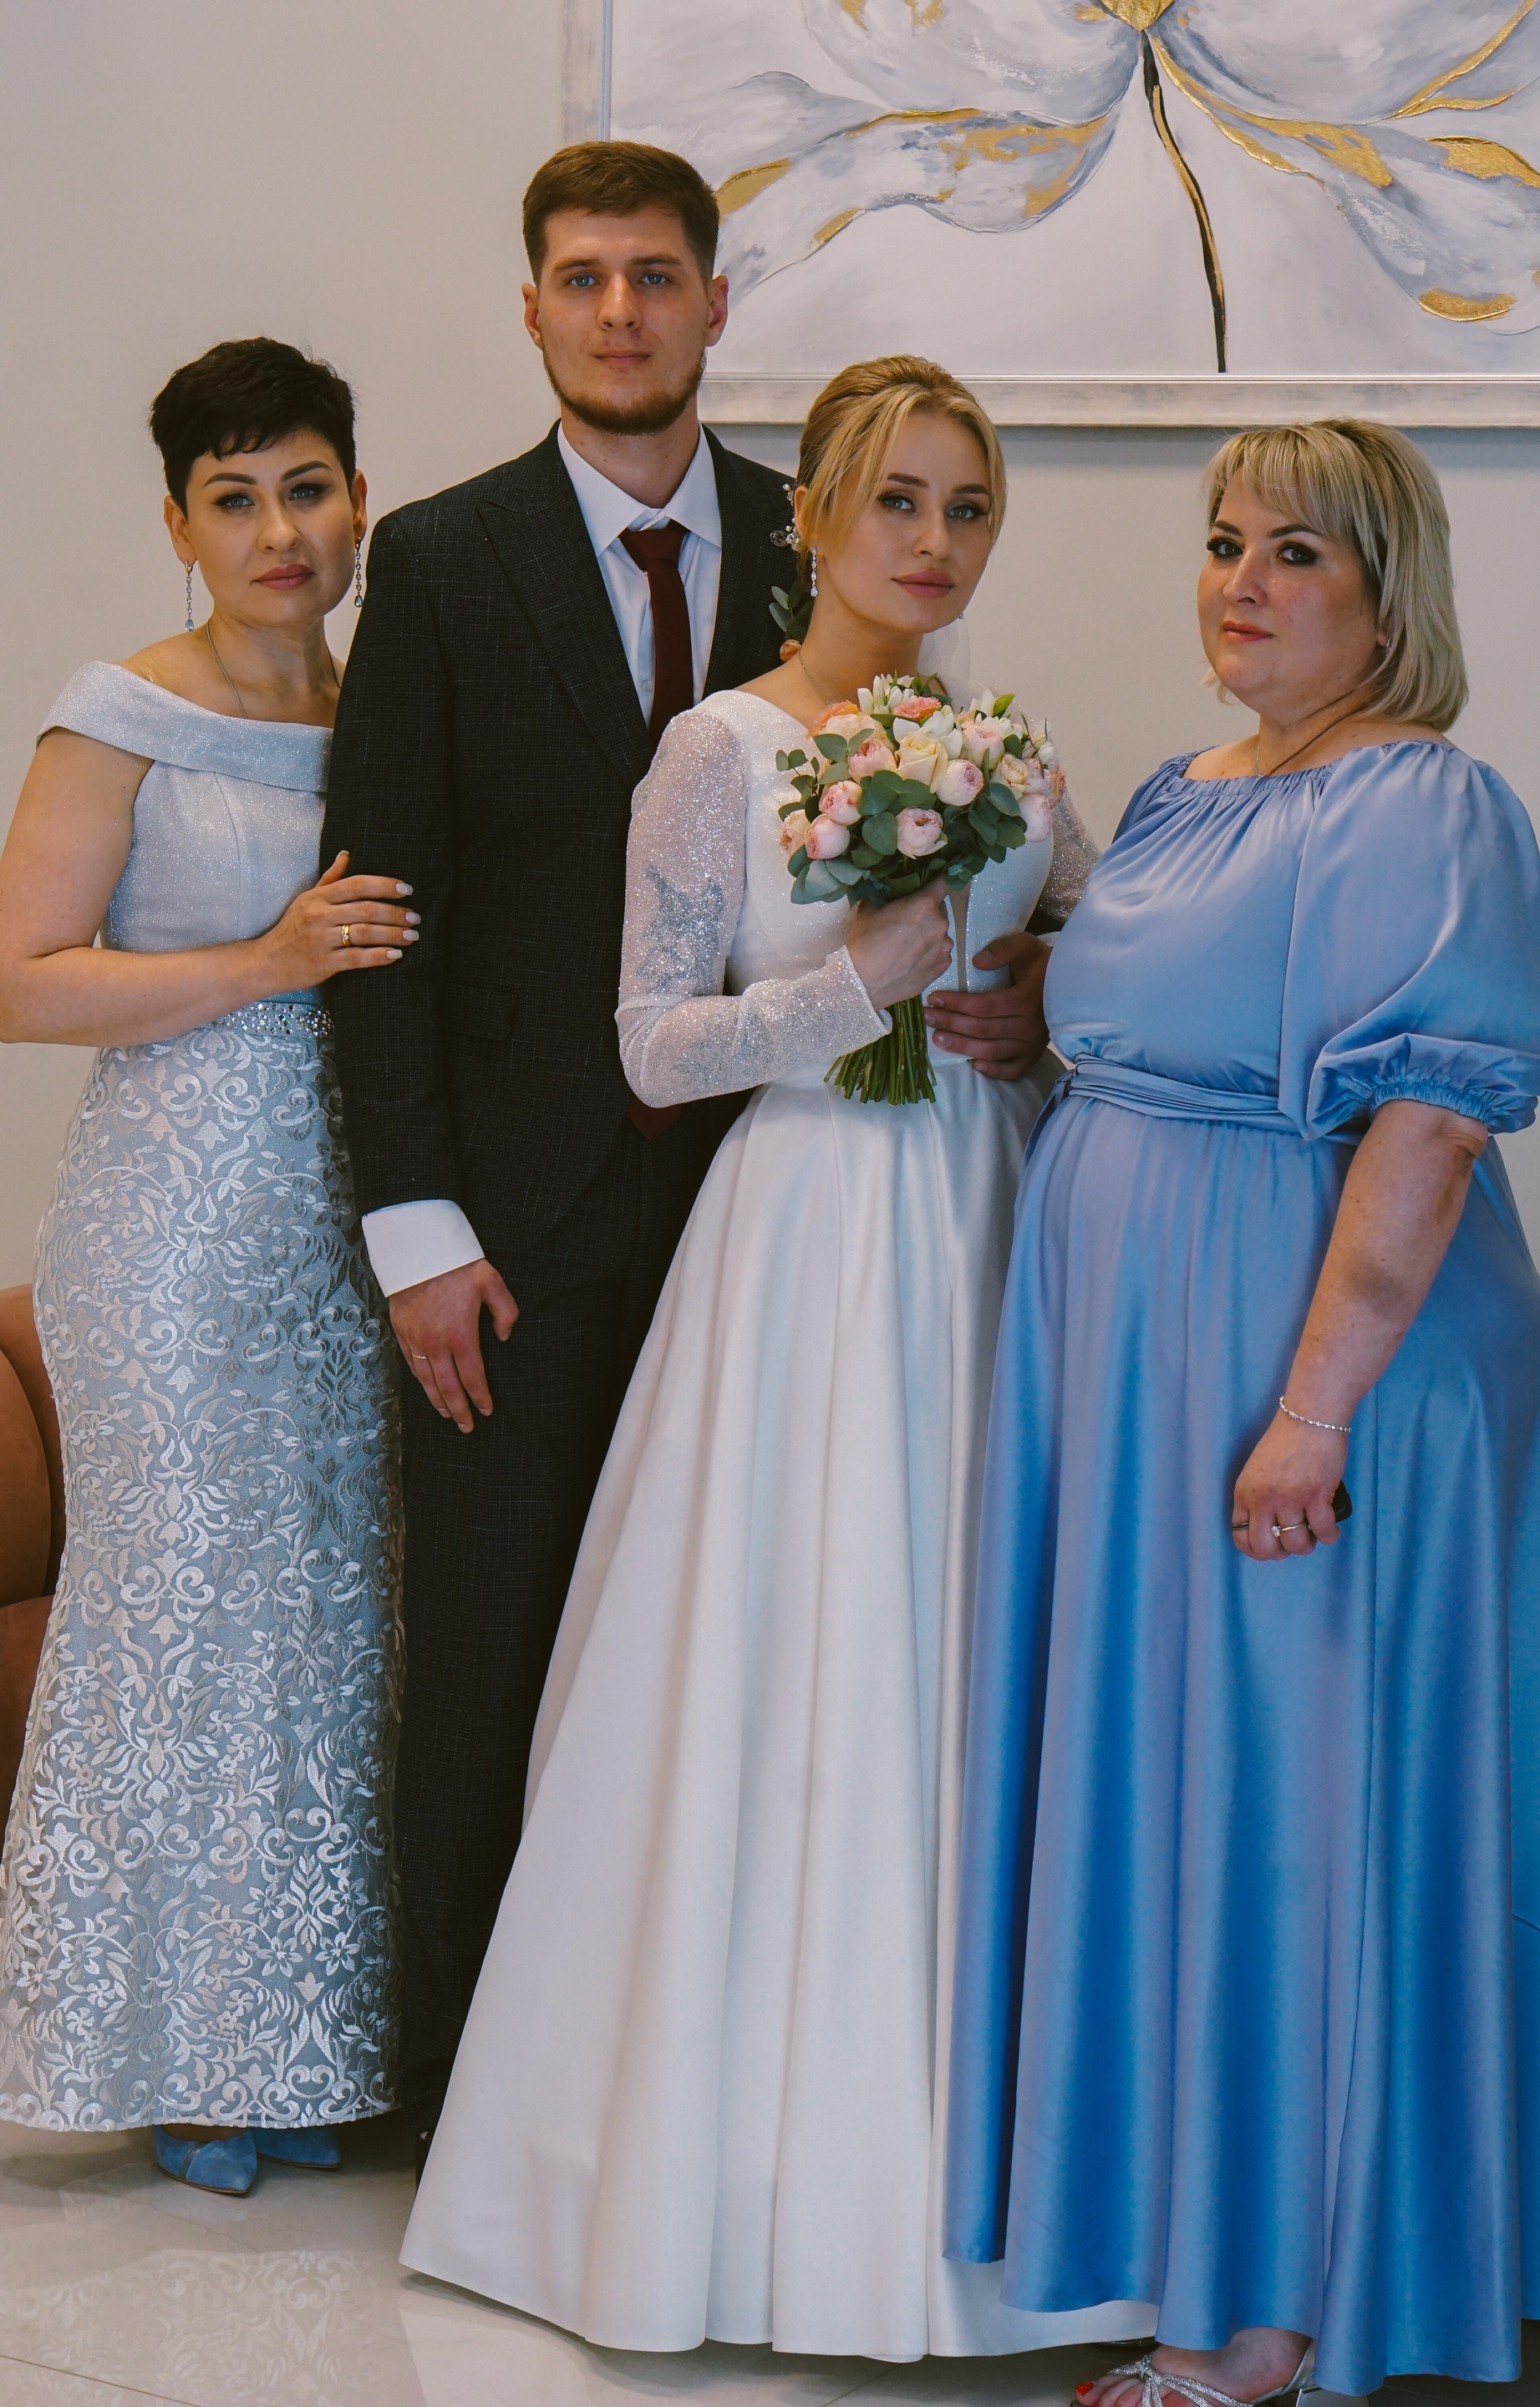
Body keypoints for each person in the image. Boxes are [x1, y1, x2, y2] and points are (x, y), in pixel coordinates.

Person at [399, 354, 1132, 2364]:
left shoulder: (1005, 746)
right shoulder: (716, 748)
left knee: (963, 1650)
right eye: (898, 499)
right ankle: (710, 2196)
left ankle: (981, 2191)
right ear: (809, 516)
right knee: (783, 1660)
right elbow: (652, 1045)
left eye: (968, 508)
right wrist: (853, 986)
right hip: (802, 1234)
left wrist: (1038, 1005)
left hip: (982, 1226)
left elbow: (1106, 954)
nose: (934, 542)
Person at [320, 145, 1044, 2171]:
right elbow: (384, 911)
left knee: (770, 1654)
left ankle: (761, 2106)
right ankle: (482, 2123)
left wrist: (1025, 997)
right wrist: (415, 1223)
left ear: (719, 303)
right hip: (526, 1212)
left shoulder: (834, 527)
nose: (621, 310)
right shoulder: (444, 560)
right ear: (533, 308)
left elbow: (975, 860)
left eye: (656, 275)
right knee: (499, 1653)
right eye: (582, 277)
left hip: (808, 1206)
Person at [943, 420, 1540, 2404]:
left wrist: (1312, 1411)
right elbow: (1179, 1021)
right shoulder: (1182, 788)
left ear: (1389, 593)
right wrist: (1036, 1005)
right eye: (1224, 541)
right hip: (1151, 1359)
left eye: (1295, 551)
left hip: (1321, 1366)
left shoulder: (1428, 802)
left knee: (1298, 1812)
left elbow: (1429, 1123)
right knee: (1191, 1800)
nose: (1241, 581)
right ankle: (1195, 2237)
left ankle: (1280, 2309)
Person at [0, 339, 410, 2196]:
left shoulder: (393, 707)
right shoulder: (119, 715)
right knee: (174, 1607)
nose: (276, 531)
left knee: (327, 1617)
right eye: (233, 499)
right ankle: (156, 2050)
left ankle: (297, 2042)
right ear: (180, 523)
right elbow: (21, 981)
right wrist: (269, 960)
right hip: (168, 1216)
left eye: (305, 488)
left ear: (356, 502)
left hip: (351, 1218)